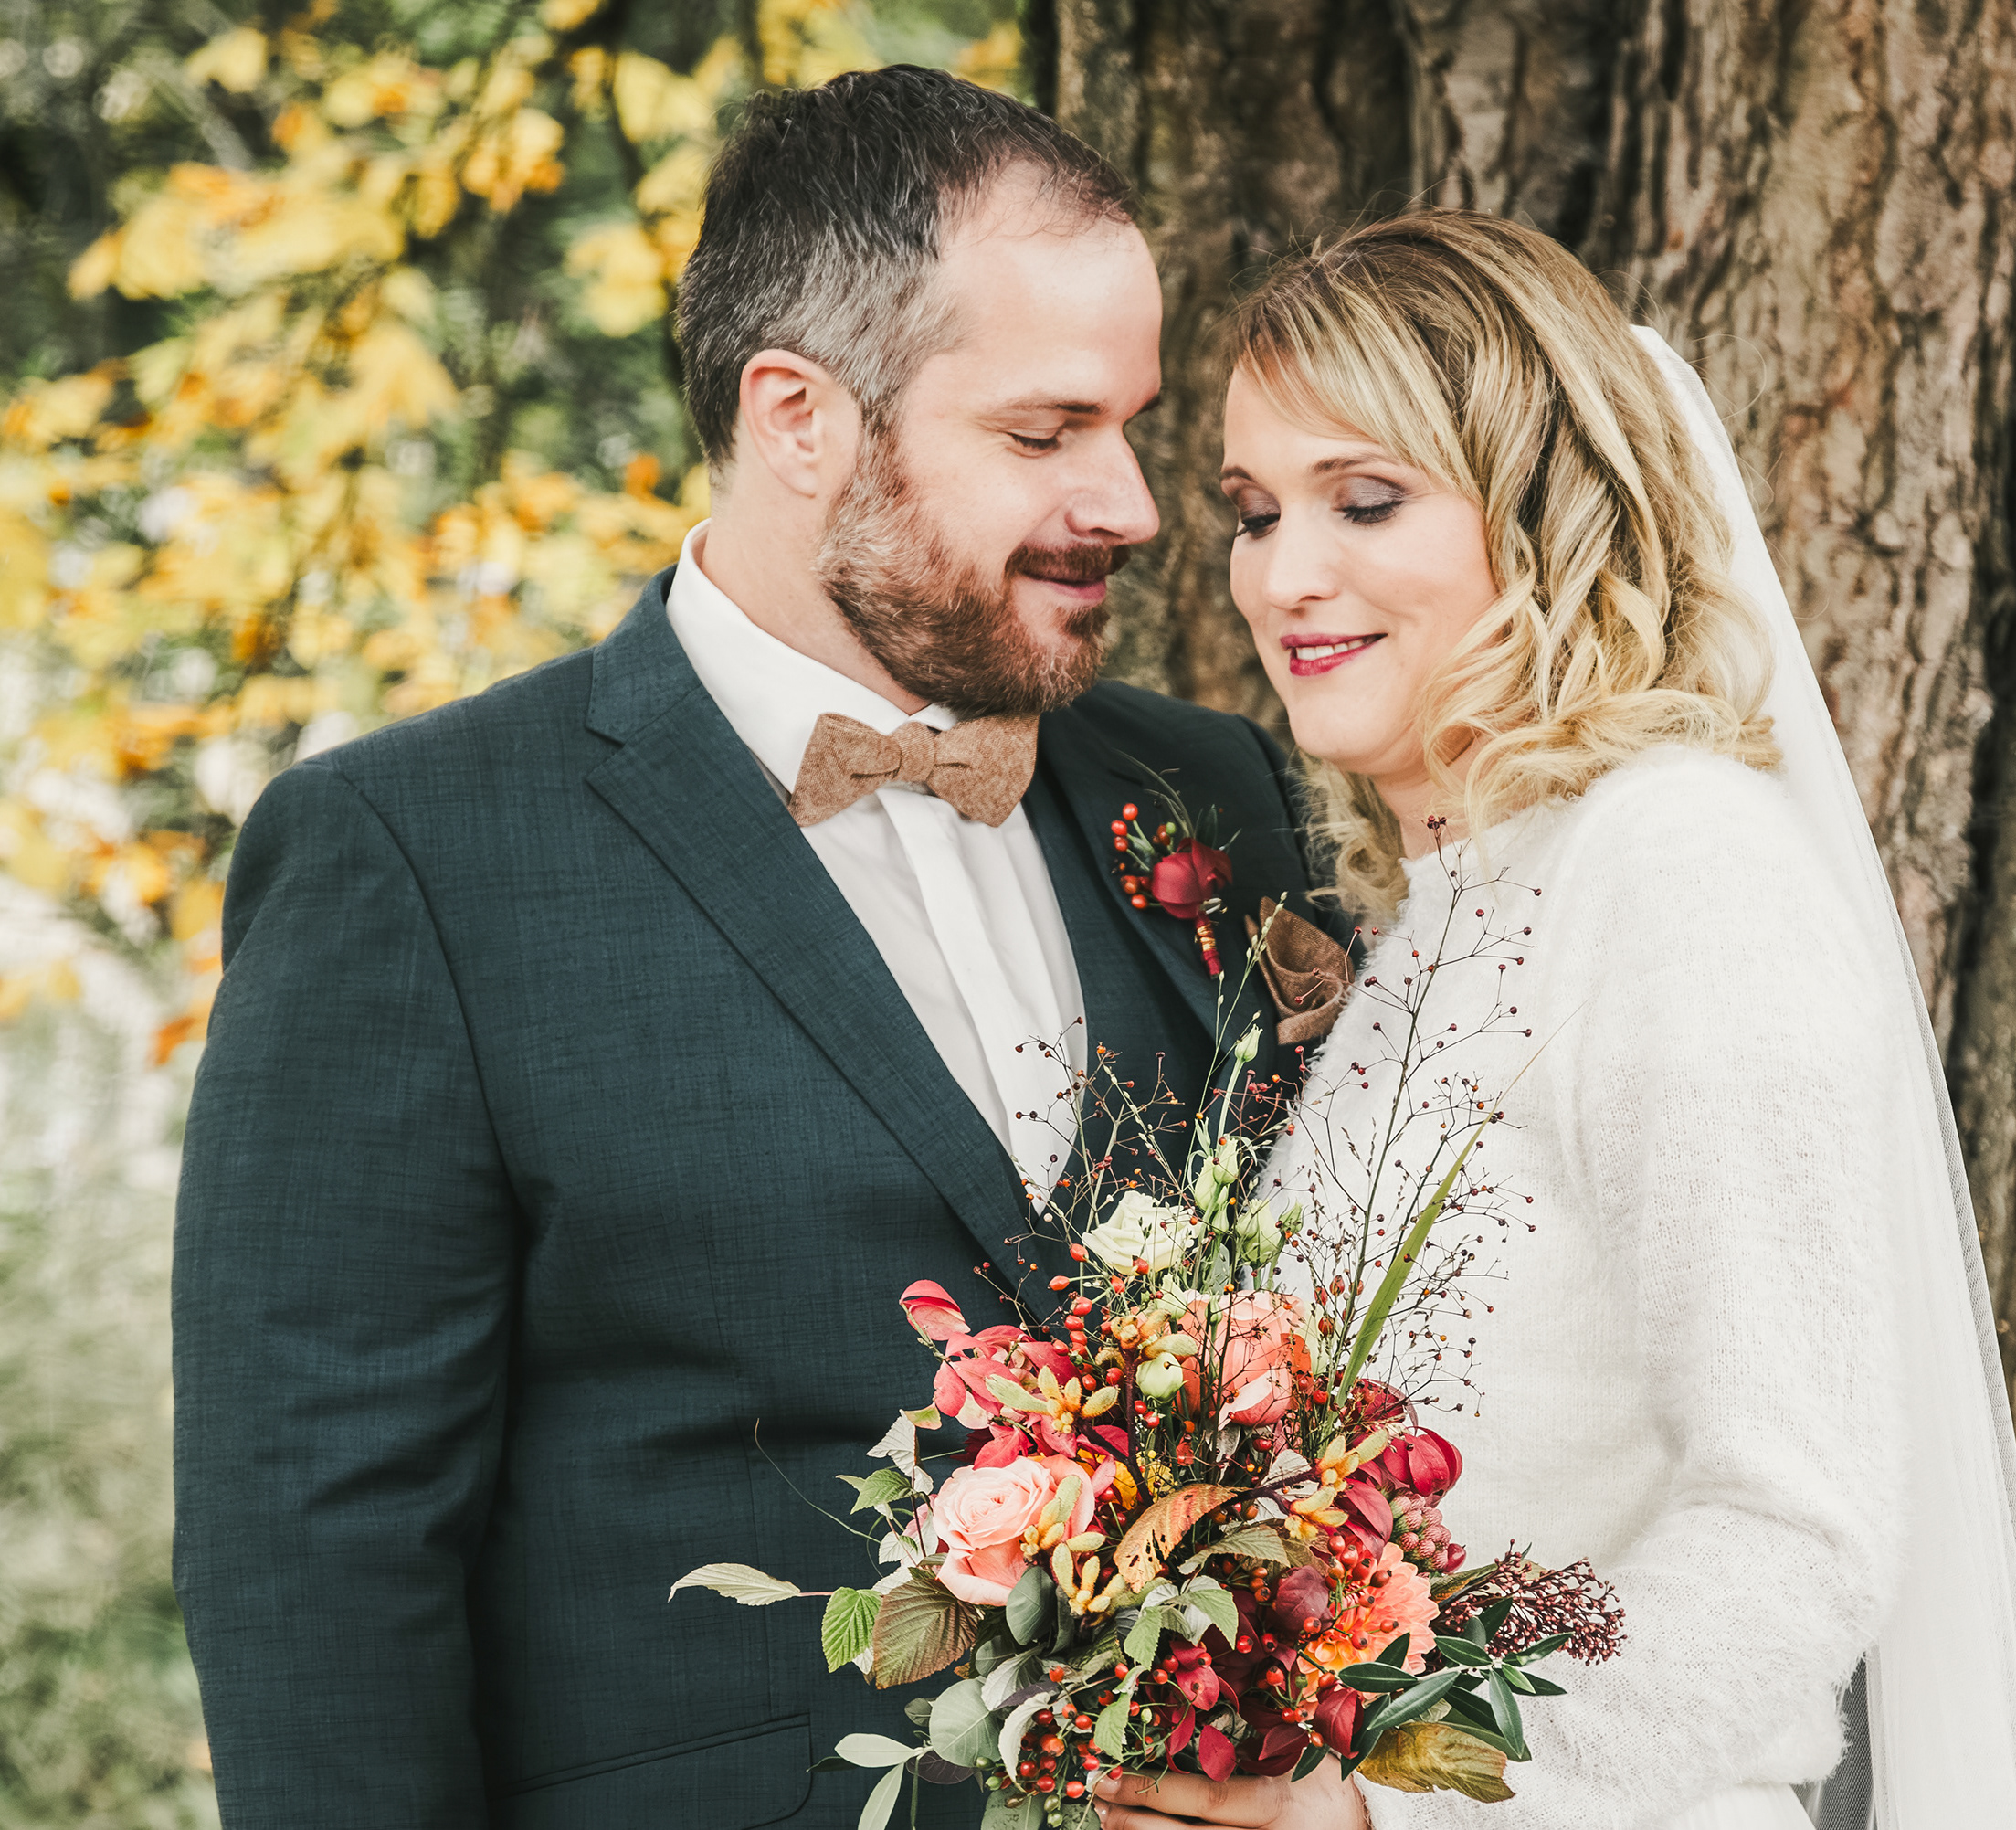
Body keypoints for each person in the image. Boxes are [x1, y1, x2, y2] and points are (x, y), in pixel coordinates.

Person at [173, 69, 1323, 1830]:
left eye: (1129, 425)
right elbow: (314, 1556)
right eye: (1043, 434)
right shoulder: (412, 856)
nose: (1129, 504)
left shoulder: (1211, 792)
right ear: (798, 418)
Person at [1093, 212, 2016, 1830]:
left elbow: (1797, 1525)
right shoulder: (1442, 914)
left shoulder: (1673, 870)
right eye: (1254, 513)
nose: (1283, 575)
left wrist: (1396, 1810)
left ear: (1547, 515)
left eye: (1364, 500)